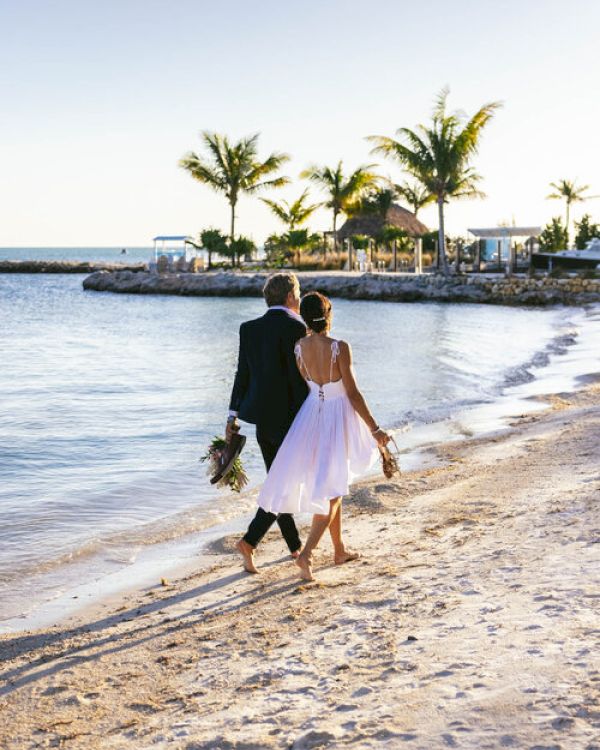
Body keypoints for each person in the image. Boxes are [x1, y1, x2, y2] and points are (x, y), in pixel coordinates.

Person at [257, 291, 390, 582]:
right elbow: (353, 393)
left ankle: (339, 549)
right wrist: (374, 428)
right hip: (336, 415)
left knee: (333, 484)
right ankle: (307, 555)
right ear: (328, 314)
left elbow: (309, 386)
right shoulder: (339, 347)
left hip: (312, 415)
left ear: (304, 317)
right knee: (333, 492)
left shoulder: (299, 347)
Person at [227, 272, 308, 573]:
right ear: (290, 297)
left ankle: (294, 546)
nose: (299, 300)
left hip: (262, 421)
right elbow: (302, 378)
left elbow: (241, 376)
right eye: (298, 295)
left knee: (279, 480)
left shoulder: (249, 329)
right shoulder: (297, 327)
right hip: (292, 420)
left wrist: (232, 416)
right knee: (283, 484)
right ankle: (249, 541)